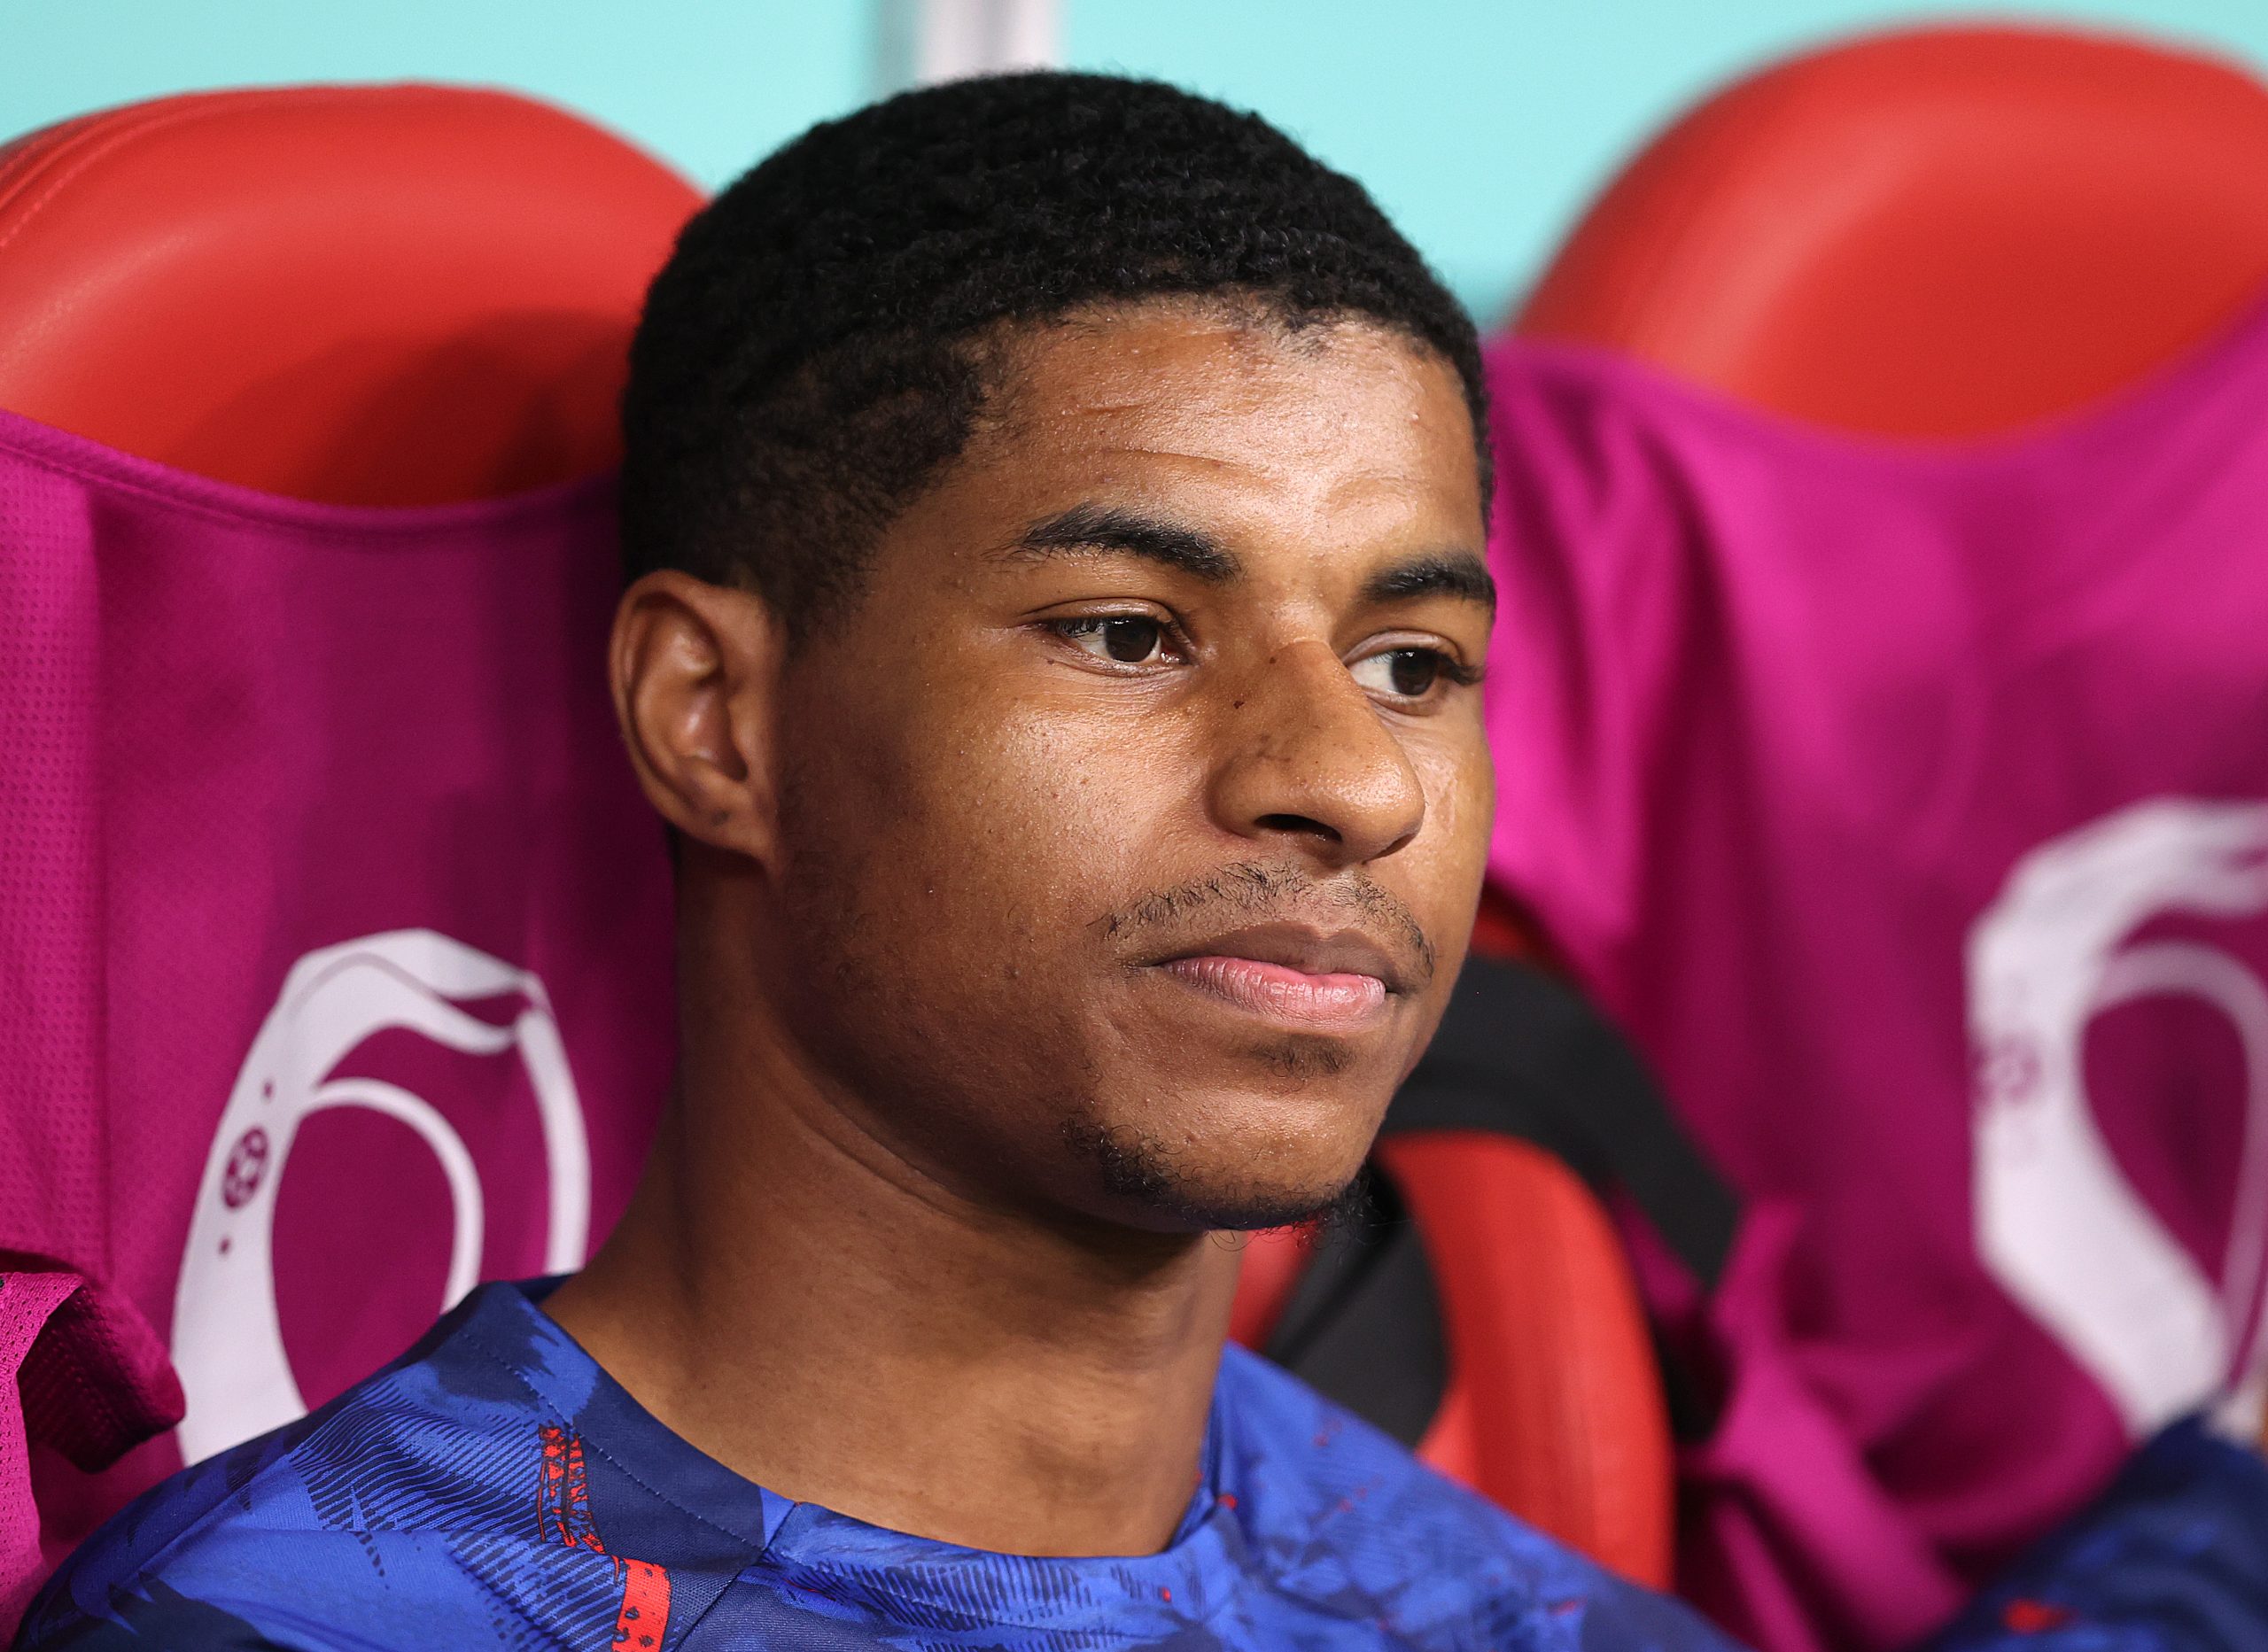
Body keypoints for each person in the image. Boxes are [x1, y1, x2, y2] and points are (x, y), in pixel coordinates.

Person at [17, 72, 2268, 1652]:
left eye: (1409, 661)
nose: (1344, 785)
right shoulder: (296, 1629)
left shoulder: (1529, 1616)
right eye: (1128, 632)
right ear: (716, 721)